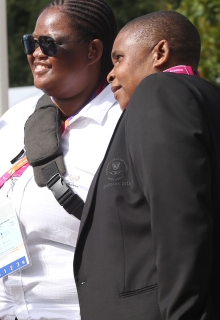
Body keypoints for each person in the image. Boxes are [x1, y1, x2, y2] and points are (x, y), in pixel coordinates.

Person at [0, 0, 120, 319]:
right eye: (31, 42)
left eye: (48, 43)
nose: (36, 53)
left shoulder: (123, 123)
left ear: (93, 51)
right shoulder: (13, 121)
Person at [73, 11, 220, 319]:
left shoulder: (160, 91)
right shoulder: (206, 100)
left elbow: (180, 218)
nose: (110, 74)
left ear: (160, 53)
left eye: (119, 58)